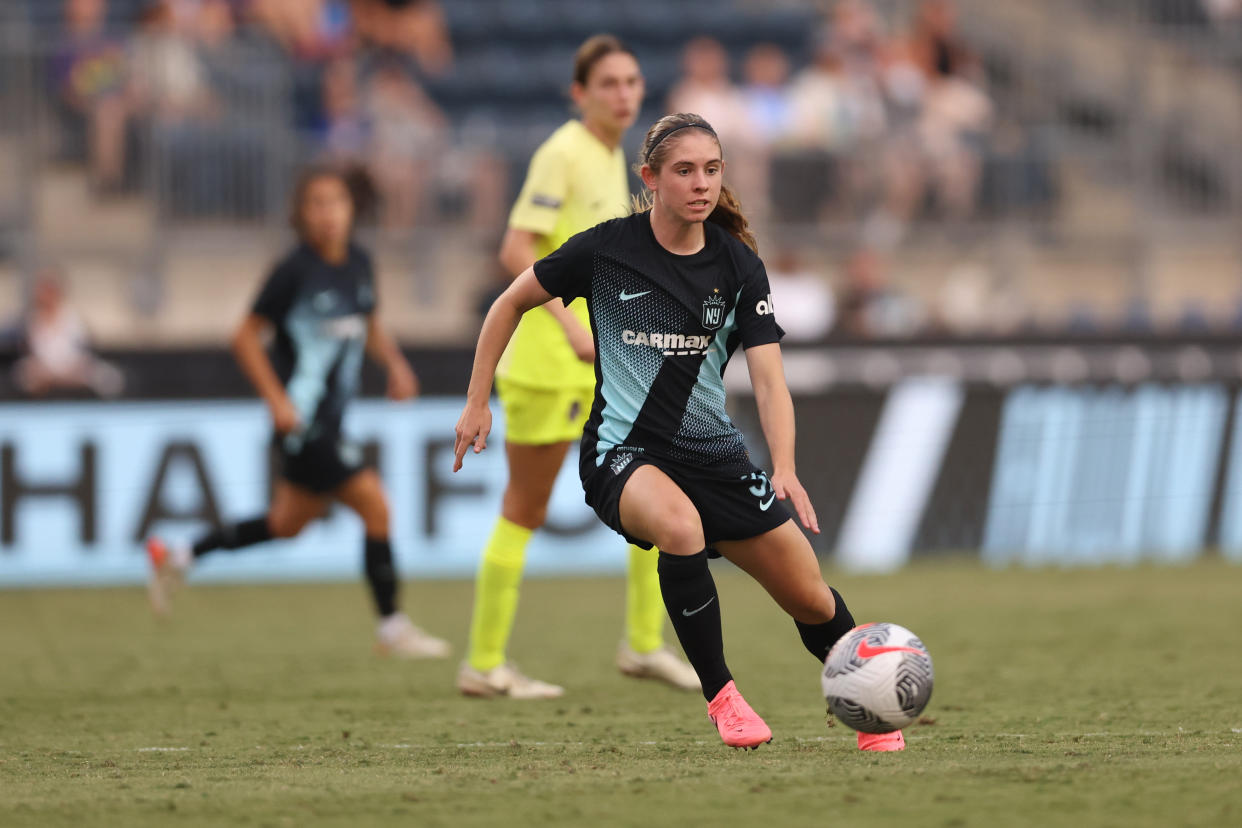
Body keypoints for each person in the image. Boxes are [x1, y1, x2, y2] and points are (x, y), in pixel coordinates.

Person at [452, 113, 905, 752]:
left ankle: (872, 710)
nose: (701, 184)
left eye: (713, 170)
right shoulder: (606, 249)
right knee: (680, 526)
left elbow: (771, 383)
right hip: (622, 453)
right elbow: (508, 303)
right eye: (686, 171)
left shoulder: (740, 265)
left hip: (713, 455)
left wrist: (784, 466)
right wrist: (477, 402)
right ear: (651, 179)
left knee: (810, 597)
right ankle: (722, 696)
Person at [456, 35, 699, 701]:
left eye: (631, 82)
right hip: (545, 367)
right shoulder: (563, 152)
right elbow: (514, 247)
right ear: (580, 94)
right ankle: (482, 661)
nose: (624, 94)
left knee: (658, 488)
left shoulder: (611, 157)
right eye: (609, 84)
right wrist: (567, 323)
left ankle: (645, 644)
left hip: (596, 365)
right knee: (526, 508)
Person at [146, 165, 450, 660]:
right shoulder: (293, 272)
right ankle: (392, 628)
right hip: (303, 423)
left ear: (352, 209)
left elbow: (369, 322)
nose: (328, 213)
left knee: (288, 523)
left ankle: (178, 556)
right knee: (377, 506)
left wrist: (395, 365)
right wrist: (277, 400)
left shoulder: (359, 262)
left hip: (330, 422)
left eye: (337, 202)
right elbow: (243, 335)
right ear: (301, 213)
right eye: (317, 203)